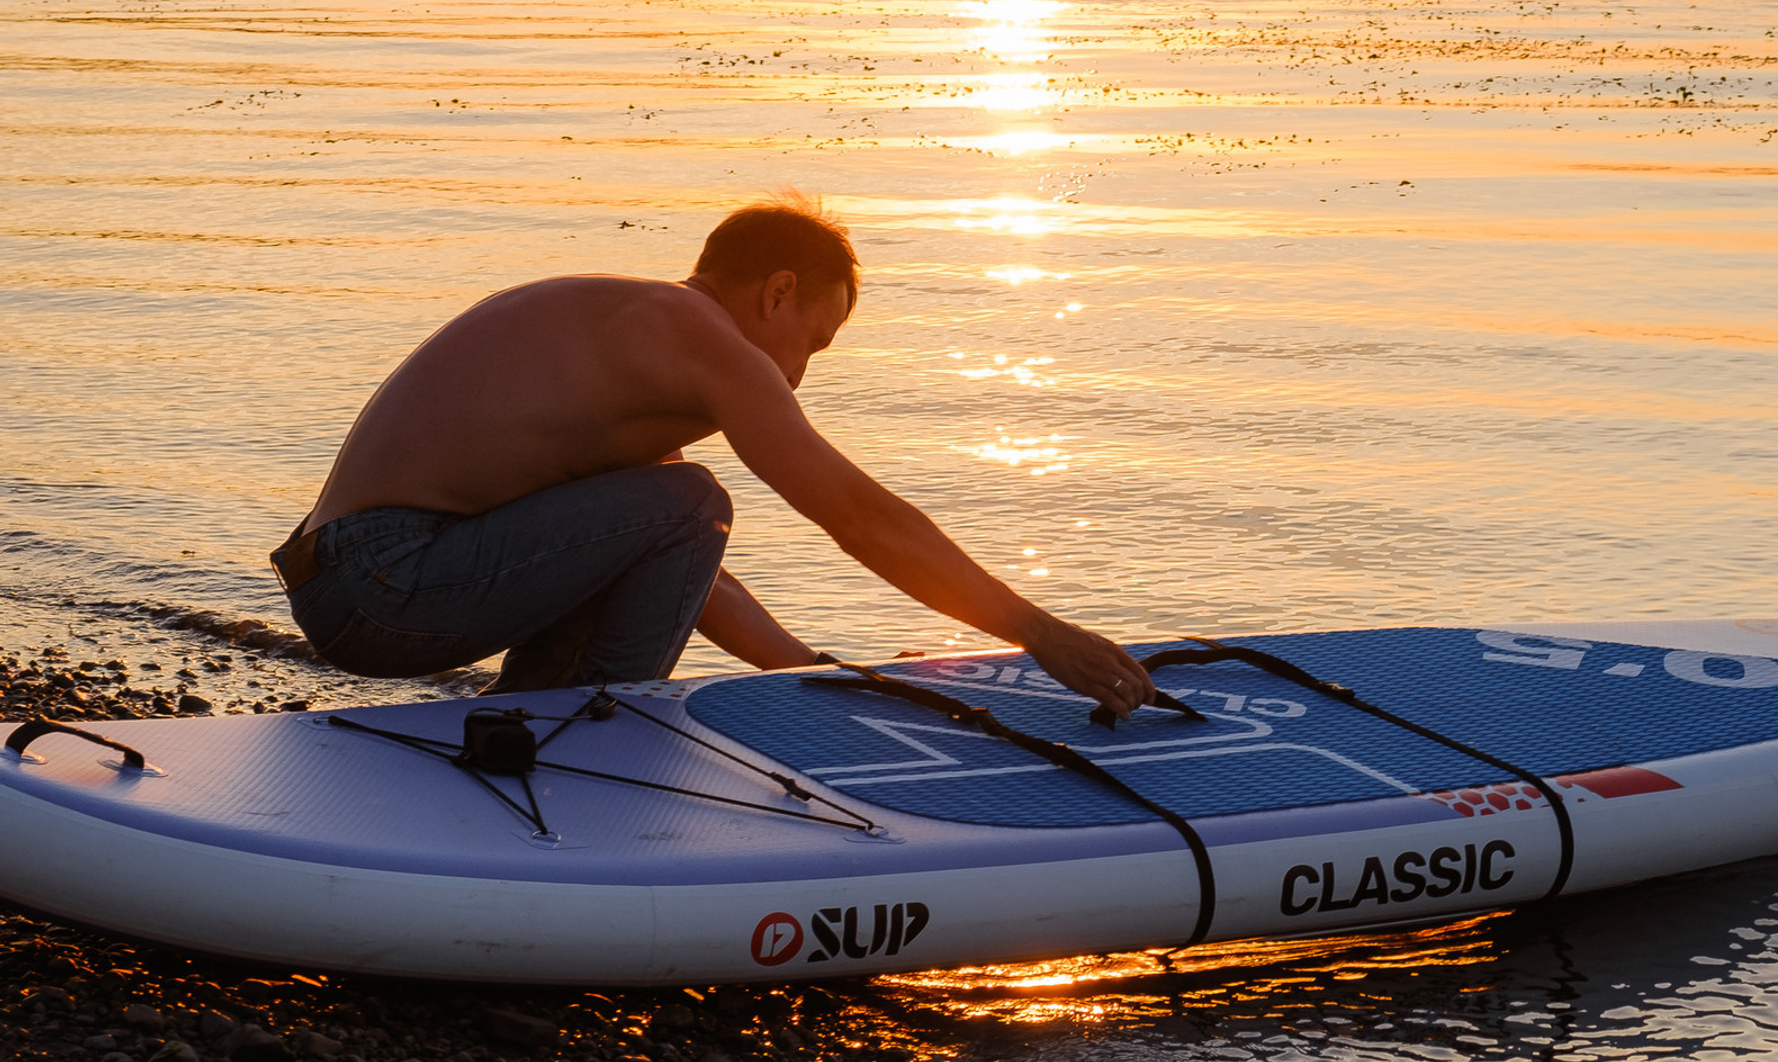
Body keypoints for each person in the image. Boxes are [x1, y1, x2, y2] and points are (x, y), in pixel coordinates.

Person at [270, 196, 1153, 720]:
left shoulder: (638, 340)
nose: (801, 376)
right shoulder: (696, 338)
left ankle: (530, 722)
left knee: (680, 505)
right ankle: (586, 732)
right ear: (777, 293)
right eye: (815, 339)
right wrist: (1037, 632)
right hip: (383, 584)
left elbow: (692, 574)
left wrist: (812, 673)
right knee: (692, 498)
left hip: (357, 586)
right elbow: (855, 514)